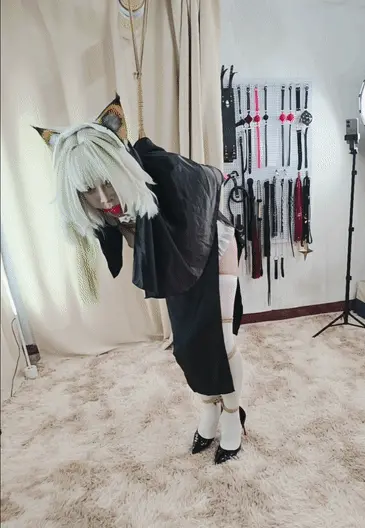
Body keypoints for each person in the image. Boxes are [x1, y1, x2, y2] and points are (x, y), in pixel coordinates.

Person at [34, 95, 246, 465]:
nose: (103, 199)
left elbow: (212, 180)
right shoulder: (102, 205)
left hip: (214, 245)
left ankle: (232, 417)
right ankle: (209, 409)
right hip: (174, 260)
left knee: (220, 340)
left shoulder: (165, 169)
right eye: (88, 190)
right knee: (186, 345)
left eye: (107, 183)